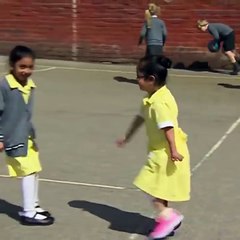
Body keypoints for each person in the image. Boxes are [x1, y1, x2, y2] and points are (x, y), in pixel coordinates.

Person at [117, 56, 191, 239]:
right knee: (160, 188)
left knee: (147, 184)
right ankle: (166, 219)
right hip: (161, 150)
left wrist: (173, 149)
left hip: (165, 151)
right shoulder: (153, 97)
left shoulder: (158, 103)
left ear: (151, 79)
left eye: (139, 77)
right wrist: (127, 136)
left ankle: (168, 216)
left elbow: (168, 126)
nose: (137, 80)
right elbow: (140, 118)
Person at [0, 45, 54, 225]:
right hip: (12, 138)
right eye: (22, 67)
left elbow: (25, 114)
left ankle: (34, 205)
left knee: (35, 170)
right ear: (12, 66)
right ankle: (28, 212)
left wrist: (32, 135)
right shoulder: (5, 86)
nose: (26, 71)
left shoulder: (29, 86)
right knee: (28, 172)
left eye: (30, 67)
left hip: (26, 137)